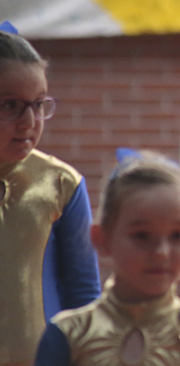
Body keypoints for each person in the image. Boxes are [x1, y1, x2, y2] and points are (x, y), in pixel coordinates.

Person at [34, 150, 180, 366]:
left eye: (177, 236)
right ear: (101, 238)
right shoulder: (69, 334)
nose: (161, 252)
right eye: (142, 236)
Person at [0, 22, 101, 366]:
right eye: (10, 106)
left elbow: (83, 292)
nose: (30, 121)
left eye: (39, 104)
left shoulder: (60, 183)